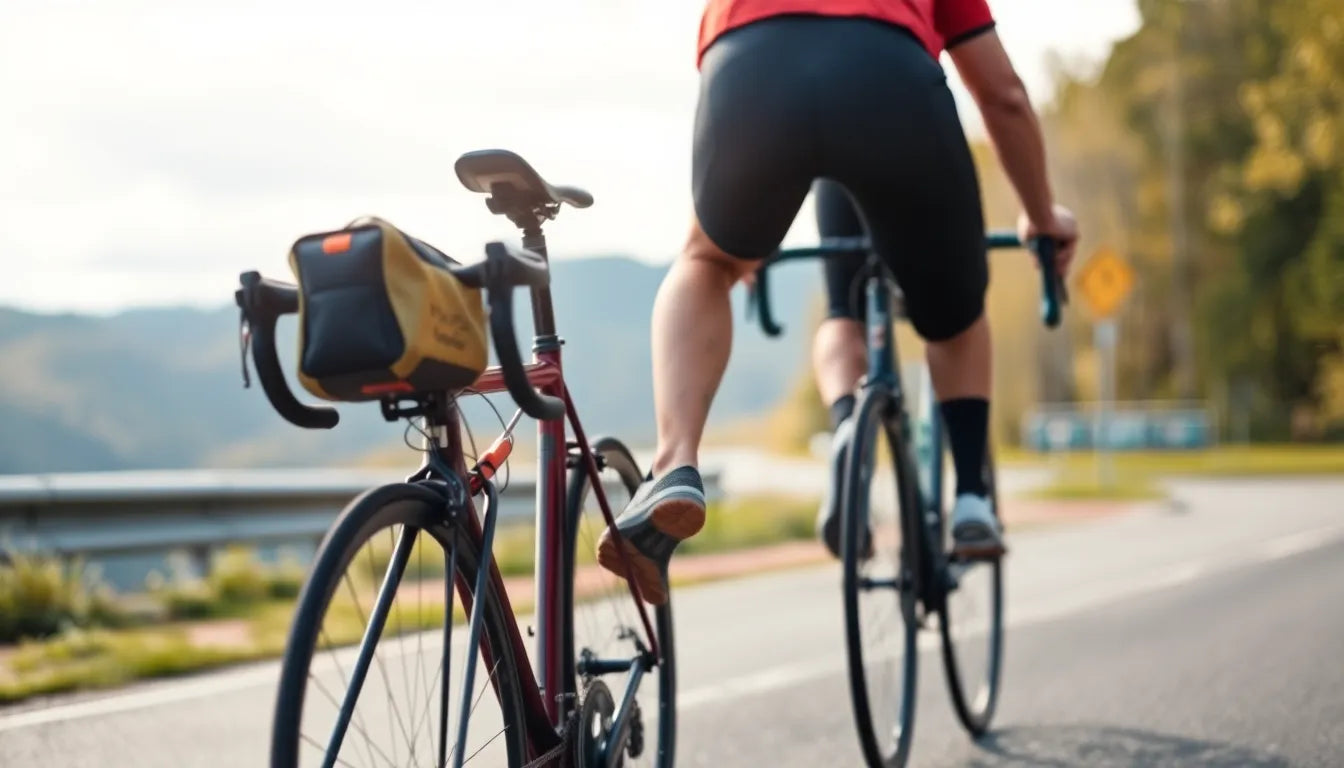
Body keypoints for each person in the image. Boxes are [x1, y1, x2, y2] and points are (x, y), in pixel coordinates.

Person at [596, 0, 1080, 605]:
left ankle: (678, 465)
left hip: (750, 69)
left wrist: (750, 224)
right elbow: (1002, 94)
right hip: (888, 82)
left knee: (710, 263)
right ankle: (974, 500)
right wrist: (1039, 216)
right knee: (954, 317)